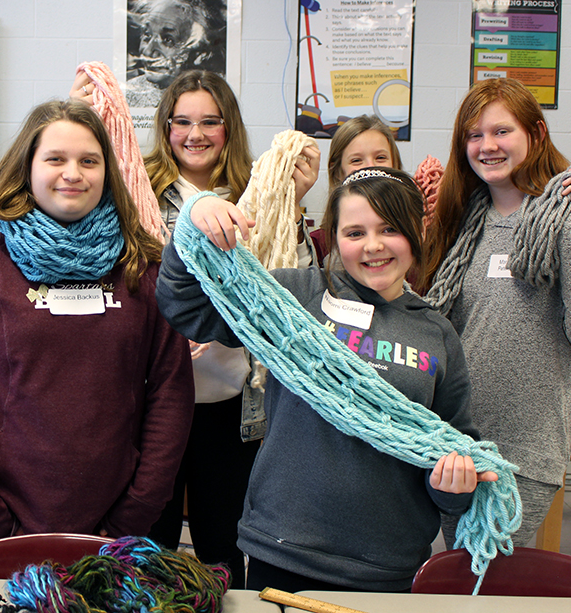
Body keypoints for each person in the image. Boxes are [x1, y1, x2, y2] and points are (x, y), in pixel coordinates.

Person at [157, 167, 493, 592]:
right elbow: (185, 308)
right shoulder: (294, 297)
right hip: (282, 549)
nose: (373, 246)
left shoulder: (437, 334)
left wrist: (454, 487)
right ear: (334, 239)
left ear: (416, 233)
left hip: (386, 565)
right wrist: (194, 215)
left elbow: (452, 447)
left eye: (389, 228)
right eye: (354, 233)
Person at [0, 99, 194, 547]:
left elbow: (171, 393)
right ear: (27, 167)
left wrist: (135, 515)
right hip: (4, 530)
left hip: (117, 533)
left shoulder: (140, 268)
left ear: (108, 172)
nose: (73, 173)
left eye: (89, 161)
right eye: (55, 159)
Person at [420, 77, 571, 547]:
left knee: (487, 569)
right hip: (458, 437)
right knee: (462, 568)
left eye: (501, 131)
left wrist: (570, 230)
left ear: (536, 132)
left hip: (527, 445)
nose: (487, 146)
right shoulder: (461, 222)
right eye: (474, 135)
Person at [138, 69, 320, 588]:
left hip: (232, 400)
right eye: (183, 121)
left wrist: (295, 201)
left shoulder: (255, 192)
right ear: (166, 126)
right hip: (156, 394)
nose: (195, 134)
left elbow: (291, 279)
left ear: (229, 127)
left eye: (210, 122)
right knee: (152, 538)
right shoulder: (142, 192)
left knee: (223, 539)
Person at [312, 114, 404, 262]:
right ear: (338, 173)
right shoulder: (320, 243)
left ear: (395, 165)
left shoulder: (413, 239)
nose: (370, 166)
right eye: (356, 160)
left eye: (380, 157)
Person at [125, 0, 226, 106]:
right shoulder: (128, 95)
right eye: (147, 35)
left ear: (195, 48)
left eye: (168, 39)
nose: (148, 51)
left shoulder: (215, 96)